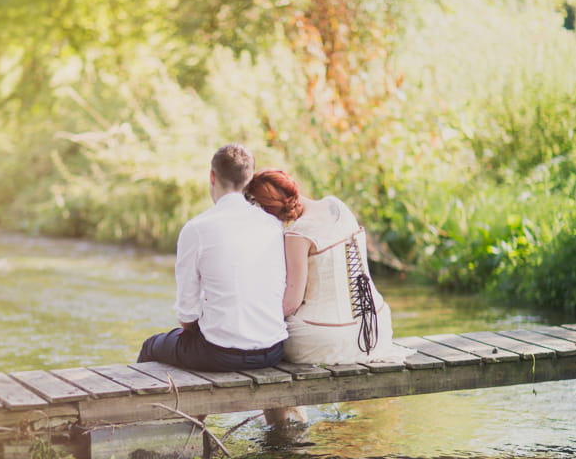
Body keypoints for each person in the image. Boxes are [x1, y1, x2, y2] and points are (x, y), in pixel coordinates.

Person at [137, 145, 287, 372]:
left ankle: (160, 407)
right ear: (248, 179)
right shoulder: (273, 225)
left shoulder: (197, 228)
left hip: (220, 353)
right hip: (272, 351)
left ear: (212, 176)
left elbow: (187, 315)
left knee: (151, 346)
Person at [244, 168, 411, 366]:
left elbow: (291, 303)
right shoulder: (336, 206)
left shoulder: (297, 234)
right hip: (376, 329)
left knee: (265, 332)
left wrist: (254, 321)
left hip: (325, 339)